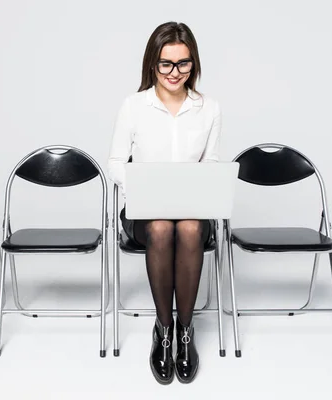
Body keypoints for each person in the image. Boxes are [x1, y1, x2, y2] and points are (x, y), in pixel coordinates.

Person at [107, 21, 222, 385]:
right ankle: (164, 328)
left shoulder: (209, 108)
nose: (175, 73)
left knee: (187, 227)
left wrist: (202, 185)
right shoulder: (133, 106)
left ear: (194, 63)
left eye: (183, 64)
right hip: (145, 212)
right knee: (160, 227)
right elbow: (114, 162)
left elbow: (212, 164)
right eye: (166, 64)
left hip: (191, 211)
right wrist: (138, 183)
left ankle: (185, 333)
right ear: (152, 64)